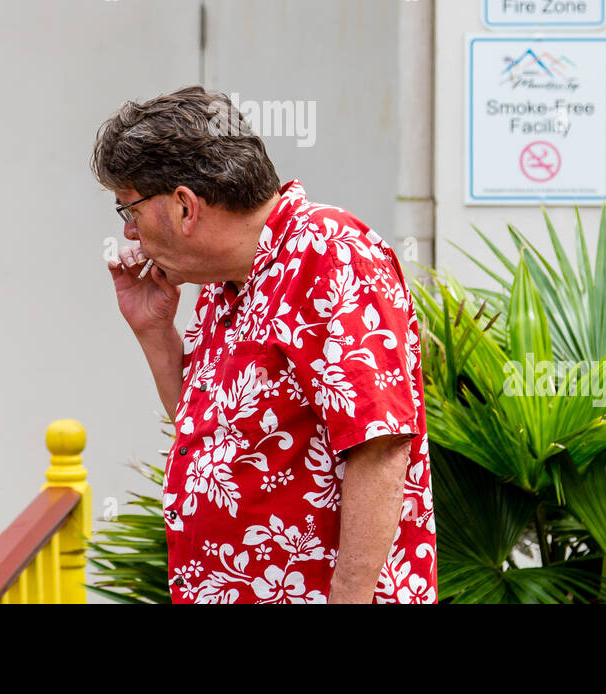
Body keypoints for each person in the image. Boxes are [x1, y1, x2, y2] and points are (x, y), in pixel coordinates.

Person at [91, 85, 436, 604]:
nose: (131, 234)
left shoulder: (330, 253)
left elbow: (380, 443)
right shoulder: (225, 281)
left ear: (185, 206)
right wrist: (154, 332)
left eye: (129, 210)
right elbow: (212, 435)